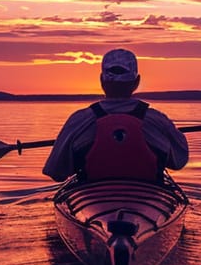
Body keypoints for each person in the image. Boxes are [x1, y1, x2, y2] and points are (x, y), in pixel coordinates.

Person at [42, 49, 189, 183]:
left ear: (102, 81)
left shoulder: (79, 120)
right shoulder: (157, 120)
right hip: (149, 199)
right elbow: (179, 162)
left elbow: (56, 173)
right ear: (136, 82)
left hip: (92, 201)